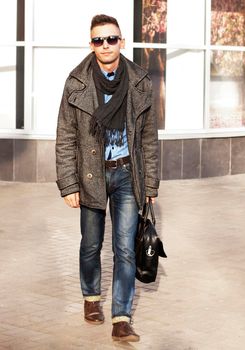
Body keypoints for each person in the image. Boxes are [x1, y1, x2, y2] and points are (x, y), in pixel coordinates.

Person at [55, 14, 159, 342]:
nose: (105, 45)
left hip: (128, 173)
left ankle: (121, 318)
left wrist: (151, 183)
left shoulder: (139, 81)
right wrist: (68, 184)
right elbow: (66, 136)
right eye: (98, 40)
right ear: (91, 44)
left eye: (111, 39)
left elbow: (149, 138)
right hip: (91, 174)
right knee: (90, 245)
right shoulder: (77, 82)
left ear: (122, 42)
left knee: (125, 248)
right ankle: (90, 297)